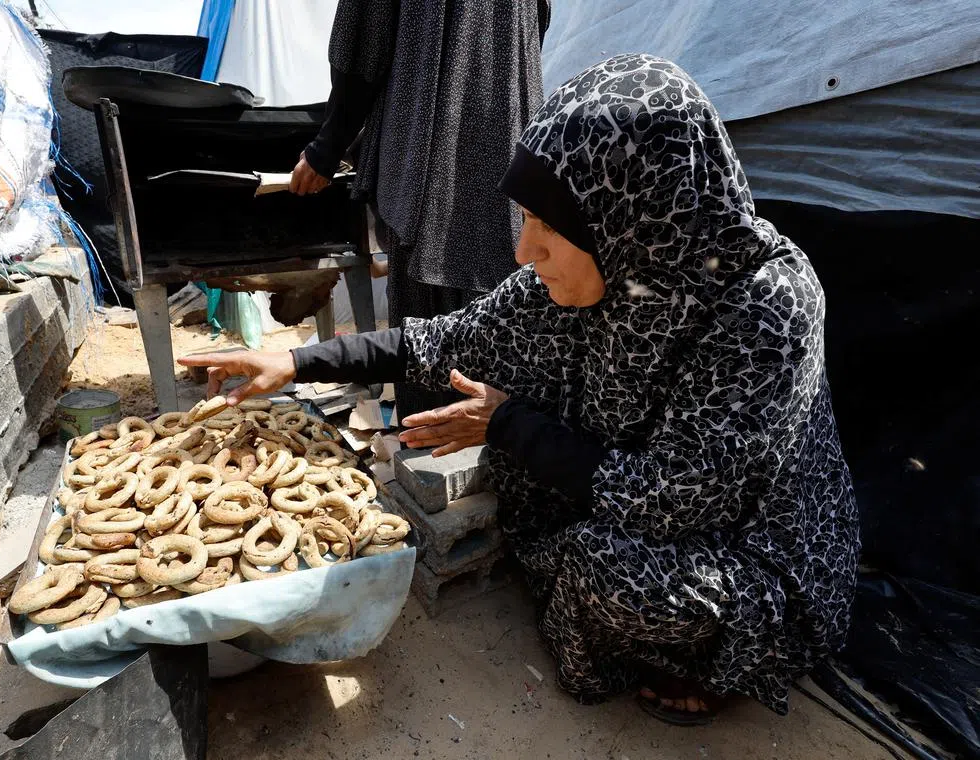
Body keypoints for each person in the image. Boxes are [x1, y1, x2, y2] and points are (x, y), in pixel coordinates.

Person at [182, 55, 861, 725]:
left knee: (616, 569)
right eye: (526, 219)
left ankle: (719, 665)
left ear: (632, 214)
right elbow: (447, 339)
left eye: (548, 226)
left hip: (744, 549)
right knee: (539, 477)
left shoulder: (766, 306)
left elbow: (678, 501)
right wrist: (295, 362)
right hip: (628, 498)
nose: (522, 251)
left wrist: (511, 425)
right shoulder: (616, 258)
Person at [288, 0, 550, 418]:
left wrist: (326, 148)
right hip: (506, 135)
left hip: (433, 154)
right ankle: (494, 444)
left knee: (429, 307)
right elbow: (539, 23)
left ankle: (431, 453)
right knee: (502, 301)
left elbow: (362, 43)